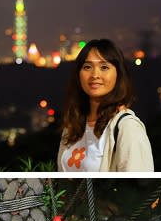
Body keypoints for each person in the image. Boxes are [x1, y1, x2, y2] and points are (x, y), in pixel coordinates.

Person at [57, 39, 154, 172]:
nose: (95, 75)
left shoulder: (127, 128)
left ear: (118, 74)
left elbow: (137, 189)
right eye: (87, 67)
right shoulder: (73, 125)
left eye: (104, 67)